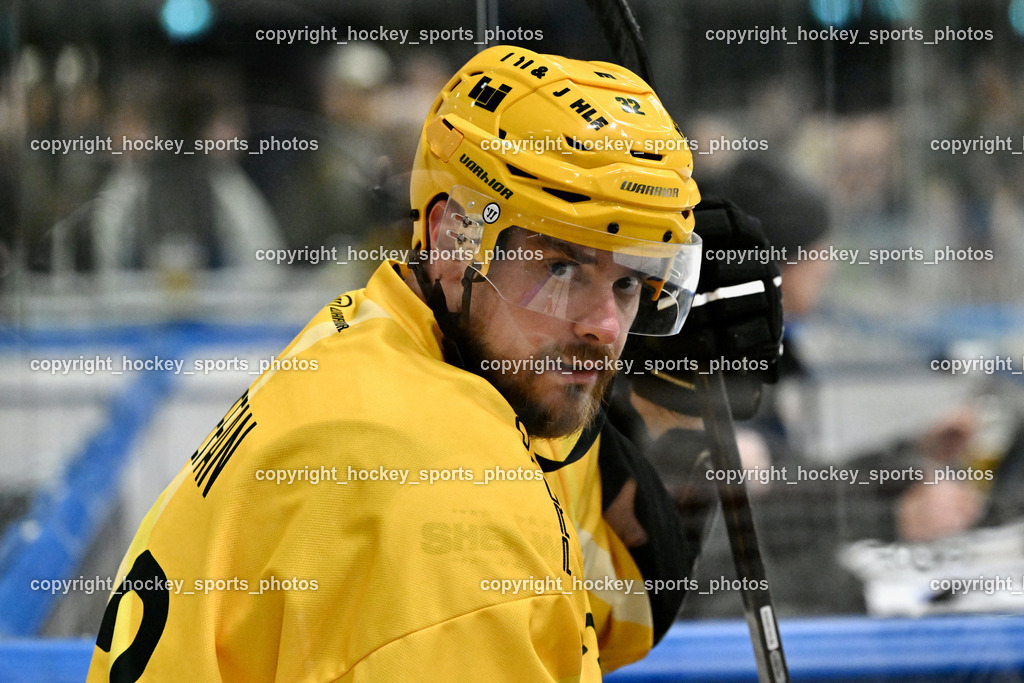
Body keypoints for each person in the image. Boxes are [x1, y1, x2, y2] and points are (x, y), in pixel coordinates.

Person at [86, 45, 764, 680]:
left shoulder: (389, 340)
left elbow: (602, 604)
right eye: (562, 268)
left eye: (629, 283)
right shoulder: (444, 493)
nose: (606, 328)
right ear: (450, 237)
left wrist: (670, 410)